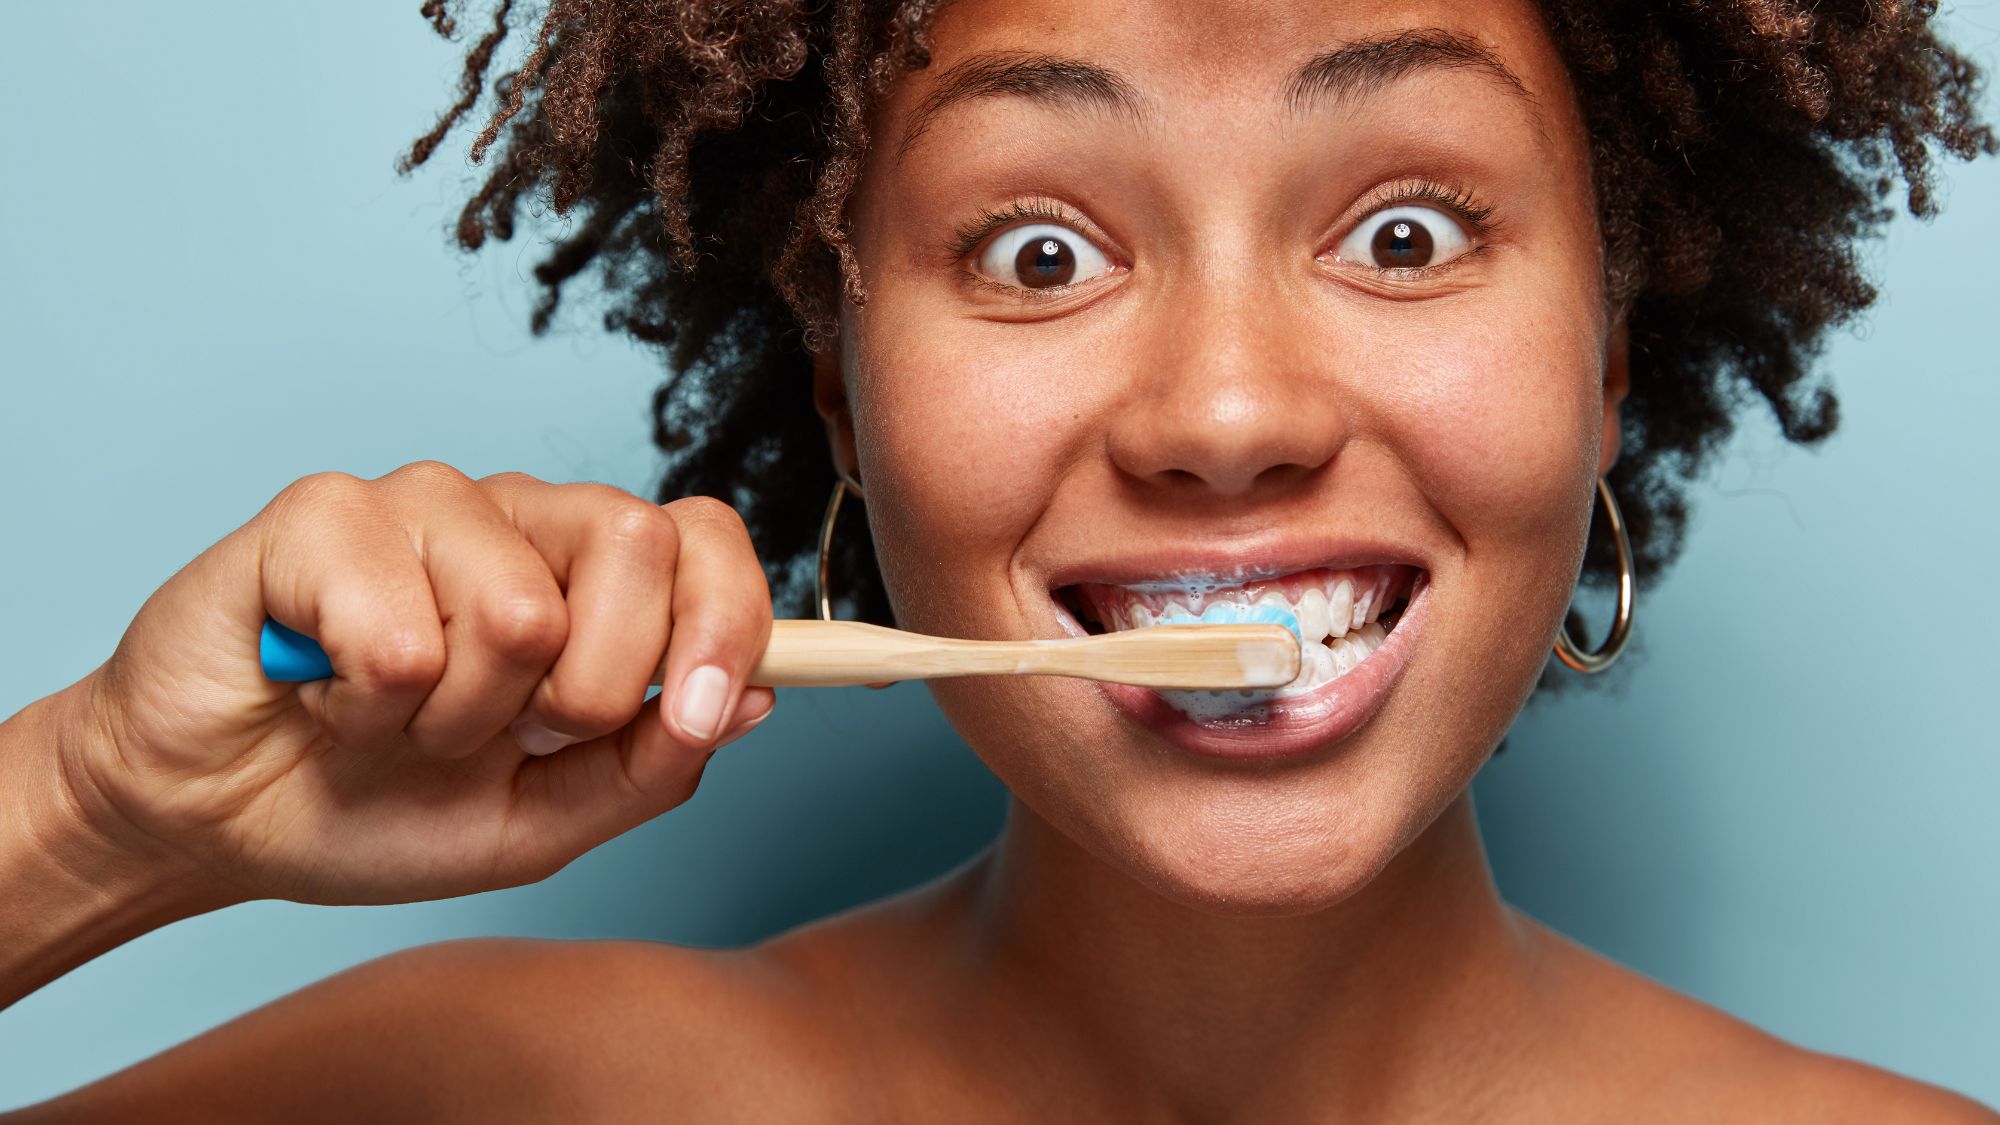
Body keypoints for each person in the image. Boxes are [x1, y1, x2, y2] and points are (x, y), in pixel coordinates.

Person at [2, 0, 1994, 1118]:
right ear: (850, 402)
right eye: (1039, 252)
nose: (1224, 410)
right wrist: (97, 809)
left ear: (1607, 366)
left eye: (1402, 232)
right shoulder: (492, 1101)